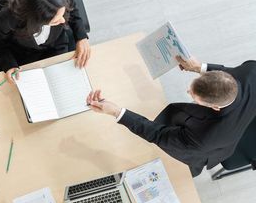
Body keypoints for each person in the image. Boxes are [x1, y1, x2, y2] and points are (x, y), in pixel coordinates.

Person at [86, 57, 256, 176]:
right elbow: (227, 72)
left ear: (214, 107)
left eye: (193, 97)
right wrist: (198, 67)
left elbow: (157, 134)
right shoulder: (252, 70)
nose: (188, 92)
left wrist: (116, 111)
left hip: (206, 150)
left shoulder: (204, 138)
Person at [0, 0, 91, 85]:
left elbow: (73, 11)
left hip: (56, 45)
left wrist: (81, 37)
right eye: (56, 20)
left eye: (62, 14)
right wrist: (9, 65)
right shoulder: (10, 17)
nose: (63, 21)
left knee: (63, 81)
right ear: (37, 20)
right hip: (23, 56)